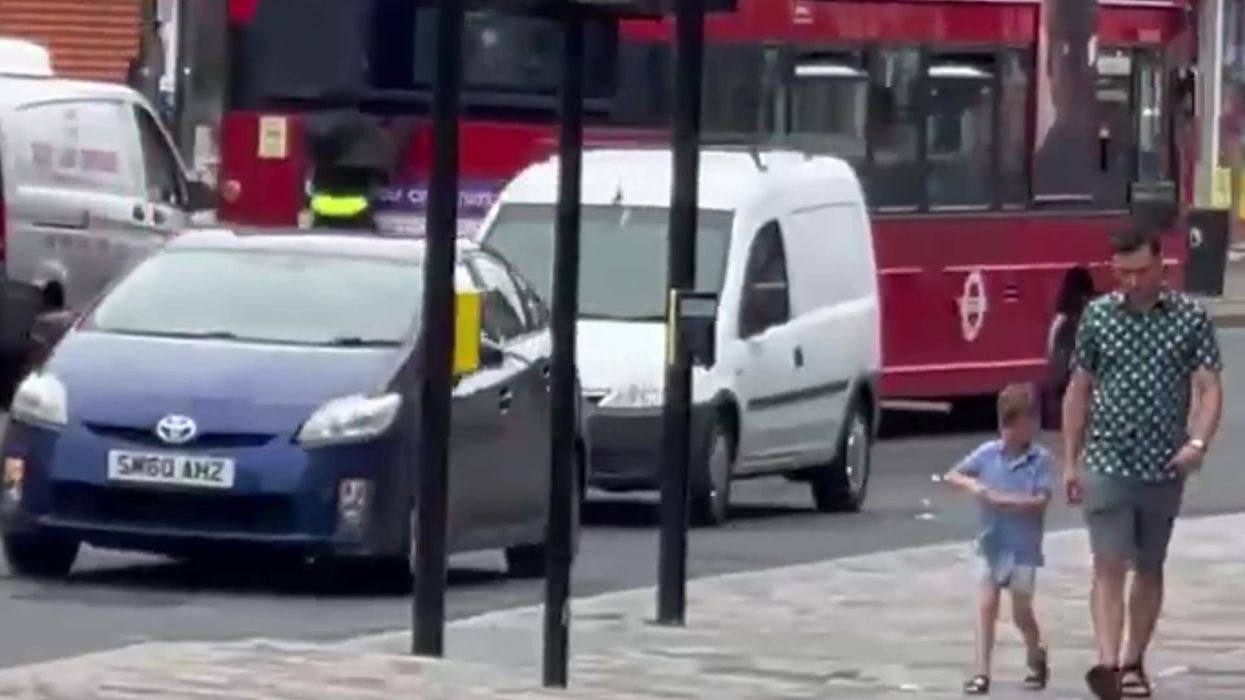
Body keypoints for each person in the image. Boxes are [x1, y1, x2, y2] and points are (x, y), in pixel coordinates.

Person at [1061, 226, 1223, 699]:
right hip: (1106, 459)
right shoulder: (1098, 317)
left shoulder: (1190, 318)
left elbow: (1209, 387)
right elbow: (1078, 388)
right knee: (1108, 562)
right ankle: (1108, 664)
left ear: (1161, 264)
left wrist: (1198, 442)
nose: (1131, 282)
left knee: (1149, 565)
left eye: (1140, 272)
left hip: (1164, 465)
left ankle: (1134, 660)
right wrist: (1070, 460)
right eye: (1122, 273)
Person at [945, 383, 1053, 695]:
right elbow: (954, 474)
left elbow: (1041, 500)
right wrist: (975, 487)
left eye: (1020, 425)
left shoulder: (1039, 459)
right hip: (991, 542)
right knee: (986, 607)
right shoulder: (988, 453)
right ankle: (981, 671)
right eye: (1008, 425)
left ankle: (1035, 652)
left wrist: (1005, 500)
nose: (1012, 432)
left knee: (1021, 610)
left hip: (1023, 547)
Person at [1043, 268, 1097, 426]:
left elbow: (1055, 329)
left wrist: (1051, 354)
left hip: (1068, 354)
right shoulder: (1092, 304)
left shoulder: (1066, 304)